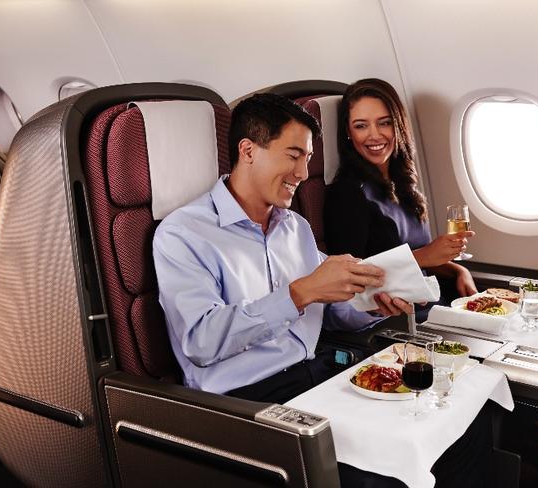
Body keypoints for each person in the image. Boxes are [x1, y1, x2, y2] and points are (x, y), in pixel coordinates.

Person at [153, 93, 412, 403]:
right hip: (247, 398)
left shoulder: (295, 227)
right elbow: (201, 342)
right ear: (247, 150)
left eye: (307, 158)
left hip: (317, 371)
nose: (303, 173)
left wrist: (370, 305)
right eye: (293, 155)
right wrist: (300, 293)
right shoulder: (183, 234)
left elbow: (328, 310)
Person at [325, 78, 477, 320]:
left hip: (433, 305)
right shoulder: (347, 194)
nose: (374, 135)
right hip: (397, 318)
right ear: (347, 132)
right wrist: (426, 255)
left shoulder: (403, 182)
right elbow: (350, 275)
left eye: (384, 123)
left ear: (398, 125)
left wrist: (457, 270)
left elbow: (416, 255)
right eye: (361, 126)